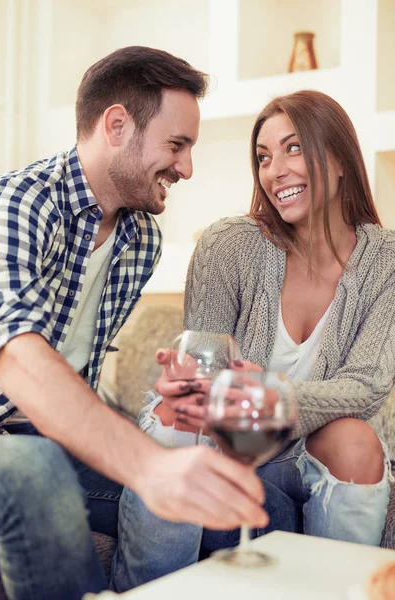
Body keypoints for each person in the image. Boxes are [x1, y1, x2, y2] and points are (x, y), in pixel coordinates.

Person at [0, 46, 276, 600]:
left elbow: (79, 372)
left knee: (228, 489)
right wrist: (146, 467)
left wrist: (165, 410)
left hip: (55, 434)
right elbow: (18, 360)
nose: (187, 168)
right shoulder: (18, 204)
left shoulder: (140, 239)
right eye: (177, 145)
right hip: (14, 441)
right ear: (117, 125)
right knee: (35, 467)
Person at [111, 89, 395, 591]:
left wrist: (274, 397)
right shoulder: (229, 244)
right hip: (228, 435)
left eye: (292, 148)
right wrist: (197, 384)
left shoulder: (387, 261)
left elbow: (368, 384)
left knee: (357, 439)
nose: (275, 170)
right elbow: (203, 363)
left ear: (341, 157)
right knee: (177, 416)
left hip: (308, 447)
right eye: (263, 157)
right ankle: (147, 590)